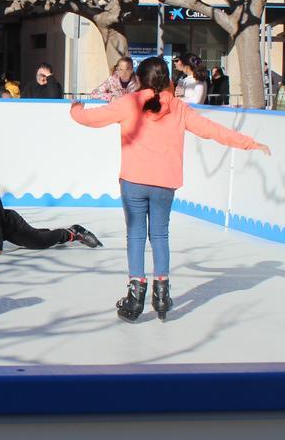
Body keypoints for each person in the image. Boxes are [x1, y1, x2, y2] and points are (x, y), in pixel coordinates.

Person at [70, 57, 270, 324]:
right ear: (167, 80)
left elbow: (90, 119)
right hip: (165, 183)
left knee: (136, 235)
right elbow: (213, 131)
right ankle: (161, 292)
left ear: (139, 79)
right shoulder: (178, 108)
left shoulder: (129, 103)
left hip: (134, 182)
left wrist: (75, 108)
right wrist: (249, 143)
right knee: (160, 235)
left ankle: (135, 293)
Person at [0, 164, 101, 255]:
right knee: (34, 236)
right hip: (2, 231)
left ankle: (72, 233)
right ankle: (53, 232)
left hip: (11, 226)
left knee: (39, 243)